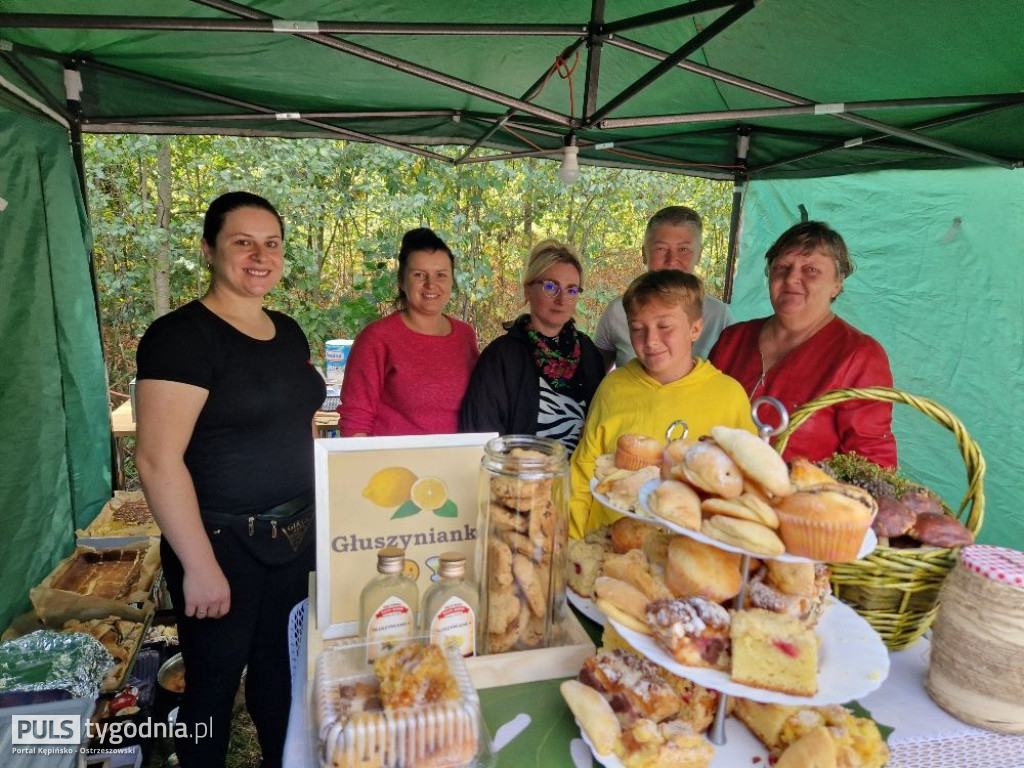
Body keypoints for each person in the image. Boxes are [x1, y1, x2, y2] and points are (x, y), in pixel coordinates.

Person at [135, 192, 324, 767]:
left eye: (271, 243)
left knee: (281, 677)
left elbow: (293, 430)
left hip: (294, 539)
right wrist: (198, 567)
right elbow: (155, 460)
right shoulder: (180, 337)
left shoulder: (288, 331)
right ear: (209, 250)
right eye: (242, 242)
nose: (259, 255)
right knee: (210, 694)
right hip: (220, 543)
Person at [570, 270, 756, 539]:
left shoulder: (728, 396)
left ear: (695, 329)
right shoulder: (613, 388)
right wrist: (571, 544)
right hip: (607, 544)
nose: (651, 341)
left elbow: (746, 490)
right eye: (638, 329)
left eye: (664, 326)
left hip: (689, 553)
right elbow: (582, 472)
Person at [709, 221, 896, 467]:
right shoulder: (733, 339)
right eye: (782, 267)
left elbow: (872, 461)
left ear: (837, 284)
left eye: (811, 270)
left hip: (803, 500)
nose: (791, 278)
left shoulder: (859, 356)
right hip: (716, 488)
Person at [459, 240, 605, 449]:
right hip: (519, 477)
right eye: (550, 287)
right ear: (528, 290)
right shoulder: (502, 356)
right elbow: (482, 434)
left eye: (571, 290)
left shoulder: (588, 352)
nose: (561, 299)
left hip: (579, 477)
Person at [339, 227, 479, 436]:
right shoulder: (376, 338)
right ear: (401, 281)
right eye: (419, 275)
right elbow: (355, 420)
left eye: (441, 275)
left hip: (454, 463)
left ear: (452, 281)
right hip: (394, 465)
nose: (431, 284)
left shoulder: (464, 335)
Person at [593, 205, 733, 368]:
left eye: (683, 249)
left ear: (699, 254)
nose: (672, 260)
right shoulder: (618, 310)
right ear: (644, 253)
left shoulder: (719, 316)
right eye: (661, 248)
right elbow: (593, 378)